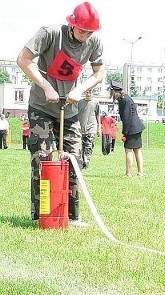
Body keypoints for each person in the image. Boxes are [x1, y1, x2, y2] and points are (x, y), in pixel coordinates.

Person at [16, 1, 105, 227]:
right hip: (42, 107)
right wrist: (46, 86)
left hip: (71, 108)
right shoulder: (50, 33)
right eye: (82, 30)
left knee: (73, 160)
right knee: (43, 159)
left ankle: (73, 215)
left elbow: (99, 73)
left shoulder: (94, 41)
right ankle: (42, 213)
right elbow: (23, 60)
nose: (86, 35)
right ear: (72, 24)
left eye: (90, 31)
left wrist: (80, 89)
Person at [109, 81, 145, 177]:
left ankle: (128, 173)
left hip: (132, 128)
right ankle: (140, 172)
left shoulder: (124, 100)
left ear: (115, 91)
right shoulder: (125, 99)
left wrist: (125, 132)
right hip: (136, 127)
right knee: (137, 150)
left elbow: (127, 117)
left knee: (128, 150)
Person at [77, 88, 100, 168]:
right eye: (86, 92)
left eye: (90, 92)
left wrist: (99, 128)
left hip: (91, 127)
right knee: (80, 146)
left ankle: (86, 162)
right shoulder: (80, 102)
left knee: (89, 145)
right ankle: (81, 161)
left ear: (92, 93)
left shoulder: (95, 102)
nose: (88, 94)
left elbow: (98, 116)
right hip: (81, 127)